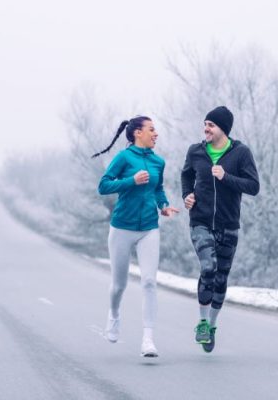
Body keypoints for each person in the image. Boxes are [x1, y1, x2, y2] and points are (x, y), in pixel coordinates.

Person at [94, 116, 179, 357]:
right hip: (122, 227)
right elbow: (103, 186)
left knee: (150, 282)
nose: (156, 134)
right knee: (119, 285)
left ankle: (148, 340)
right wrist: (131, 181)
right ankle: (114, 314)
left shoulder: (158, 161)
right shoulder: (123, 158)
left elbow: (158, 188)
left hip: (149, 228)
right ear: (137, 133)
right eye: (152, 130)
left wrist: (163, 205)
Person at [181, 106, 260, 353]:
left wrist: (226, 177)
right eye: (205, 124)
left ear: (223, 129)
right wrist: (187, 195)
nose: (206, 128)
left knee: (222, 278)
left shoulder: (241, 153)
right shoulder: (195, 151)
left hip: (228, 225)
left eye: (211, 125)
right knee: (208, 268)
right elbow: (186, 176)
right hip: (201, 222)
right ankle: (202, 323)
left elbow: (253, 186)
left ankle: (212, 326)